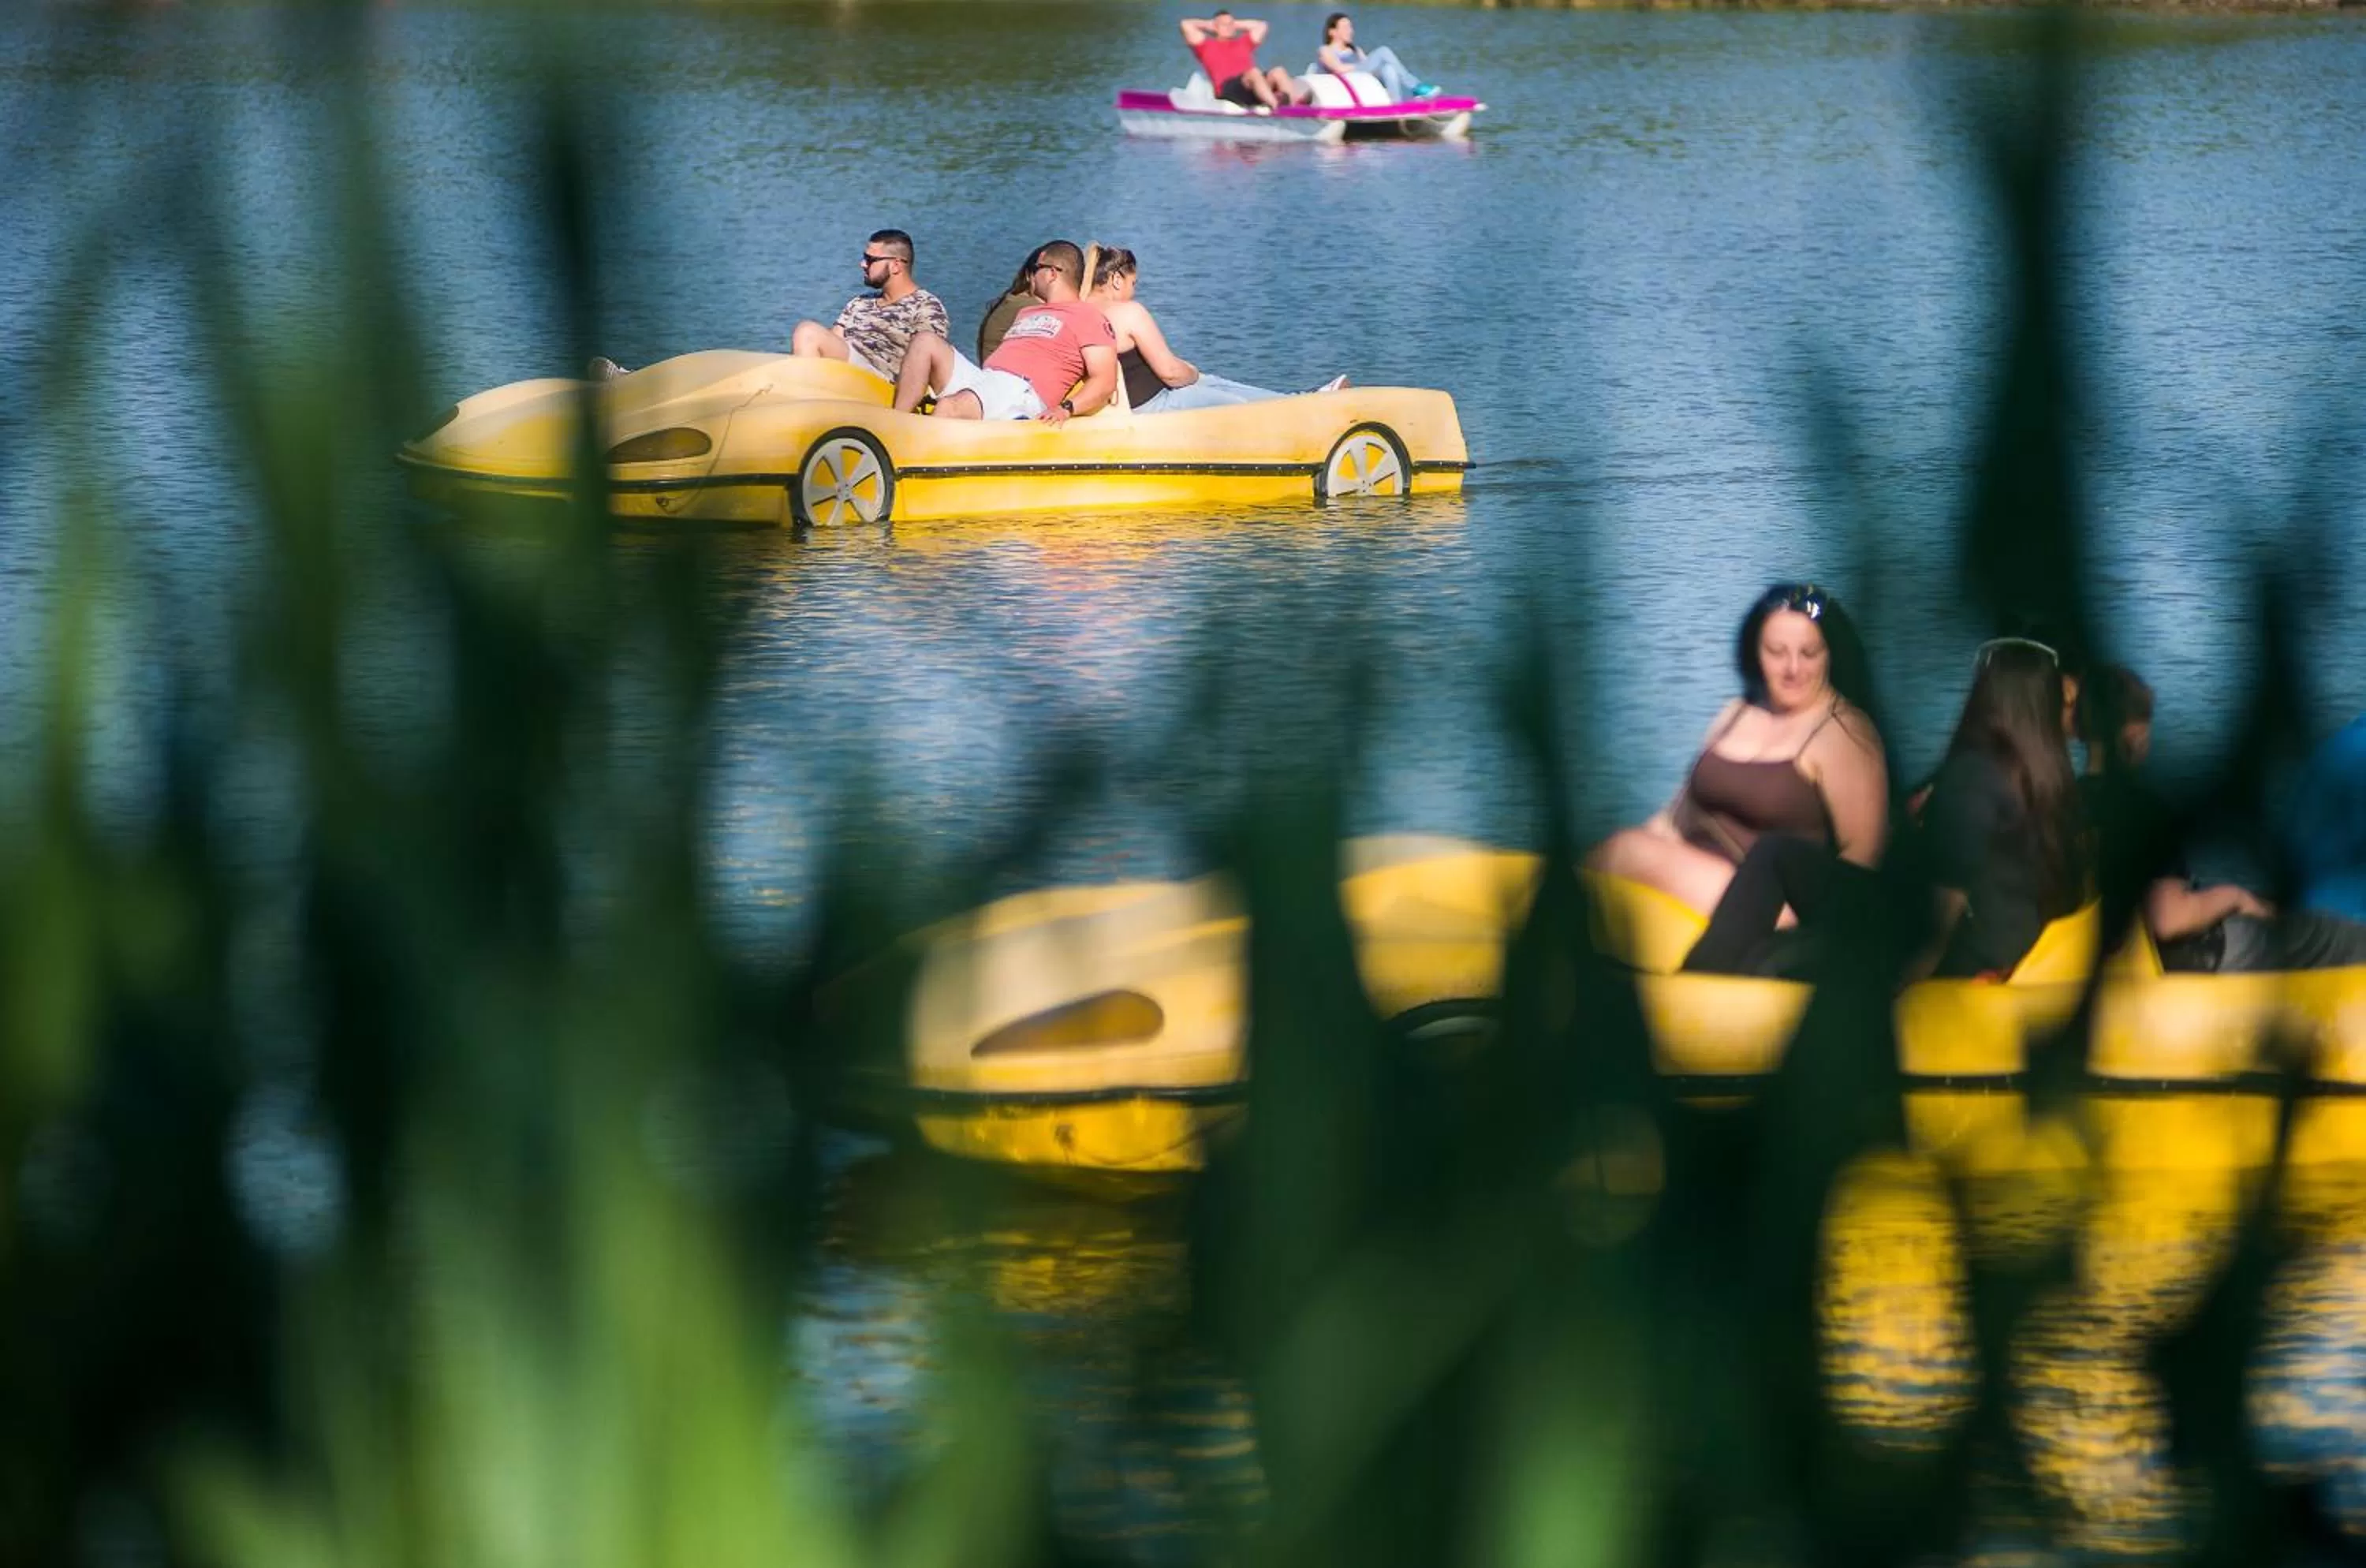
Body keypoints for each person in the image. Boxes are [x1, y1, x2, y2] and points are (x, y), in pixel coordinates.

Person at [1588, 583, 1890, 927]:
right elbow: (1674, 820)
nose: (1793, 668)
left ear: (1830, 654)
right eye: (1777, 651)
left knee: (1628, 851)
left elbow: (1863, 856)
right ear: (1755, 653)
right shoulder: (1736, 713)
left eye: (1809, 653)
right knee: (1618, 850)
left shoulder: (1845, 731)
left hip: (1773, 902)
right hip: (1691, 875)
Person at [2081, 665, 2366, 973]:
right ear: (2133, 733)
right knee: (2330, 935)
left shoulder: (2070, 797)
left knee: (2274, 908)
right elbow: (2169, 919)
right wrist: (2235, 897)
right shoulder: (2139, 807)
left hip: (2131, 952)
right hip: (2195, 954)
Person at [1913, 638, 2089, 980]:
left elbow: (1944, 905)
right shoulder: (2051, 786)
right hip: (2039, 966)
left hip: (1979, 973)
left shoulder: (1971, 778)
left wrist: (1899, 988)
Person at [1082, 245, 1343, 413]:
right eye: (1133, 283)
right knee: (1237, 405)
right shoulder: (1128, 312)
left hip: (1138, 399)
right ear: (1116, 280)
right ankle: (1303, 409)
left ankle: (1300, 401)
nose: (1134, 291)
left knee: (1218, 383)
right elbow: (1171, 373)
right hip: (1154, 404)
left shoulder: (1074, 312)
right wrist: (1192, 373)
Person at [891, 241, 1118, 425]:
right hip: (988, 380)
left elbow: (1105, 380)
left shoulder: (1088, 316)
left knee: (950, 408)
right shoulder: (1027, 312)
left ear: (1052, 273)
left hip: (1022, 391)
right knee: (925, 342)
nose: (1030, 277)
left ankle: (915, 467)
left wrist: (1067, 408)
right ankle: (894, 427)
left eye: (1035, 270)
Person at [787, 229, 948, 384]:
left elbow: (928, 361)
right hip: (845, 370)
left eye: (870, 259)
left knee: (807, 332)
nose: (862, 264)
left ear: (896, 266)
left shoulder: (927, 307)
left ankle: (804, 401)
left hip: (880, 381)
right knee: (808, 337)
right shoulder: (860, 302)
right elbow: (834, 339)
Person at [1181, 10, 1309, 110]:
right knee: (1253, 73)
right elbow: (1186, 24)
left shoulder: (1242, 43)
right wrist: (1210, 25)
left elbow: (1262, 26)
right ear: (1215, 27)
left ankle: (1293, 107)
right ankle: (1276, 106)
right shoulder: (1205, 46)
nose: (1229, 27)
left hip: (1253, 85)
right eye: (1224, 25)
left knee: (1278, 71)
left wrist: (1235, 24)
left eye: (1232, 24)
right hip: (1228, 90)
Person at [1311, 12, 1438, 104]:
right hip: (1345, 84)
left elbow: (1369, 70)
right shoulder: (1325, 50)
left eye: (1351, 27)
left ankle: (1396, 104)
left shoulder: (1356, 50)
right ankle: (1416, 86)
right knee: (1383, 51)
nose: (1350, 31)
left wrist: (1368, 65)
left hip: (1361, 82)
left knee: (1388, 68)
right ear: (1332, 32)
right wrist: (1362, 65)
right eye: (1345, 28)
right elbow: (1338, 68)